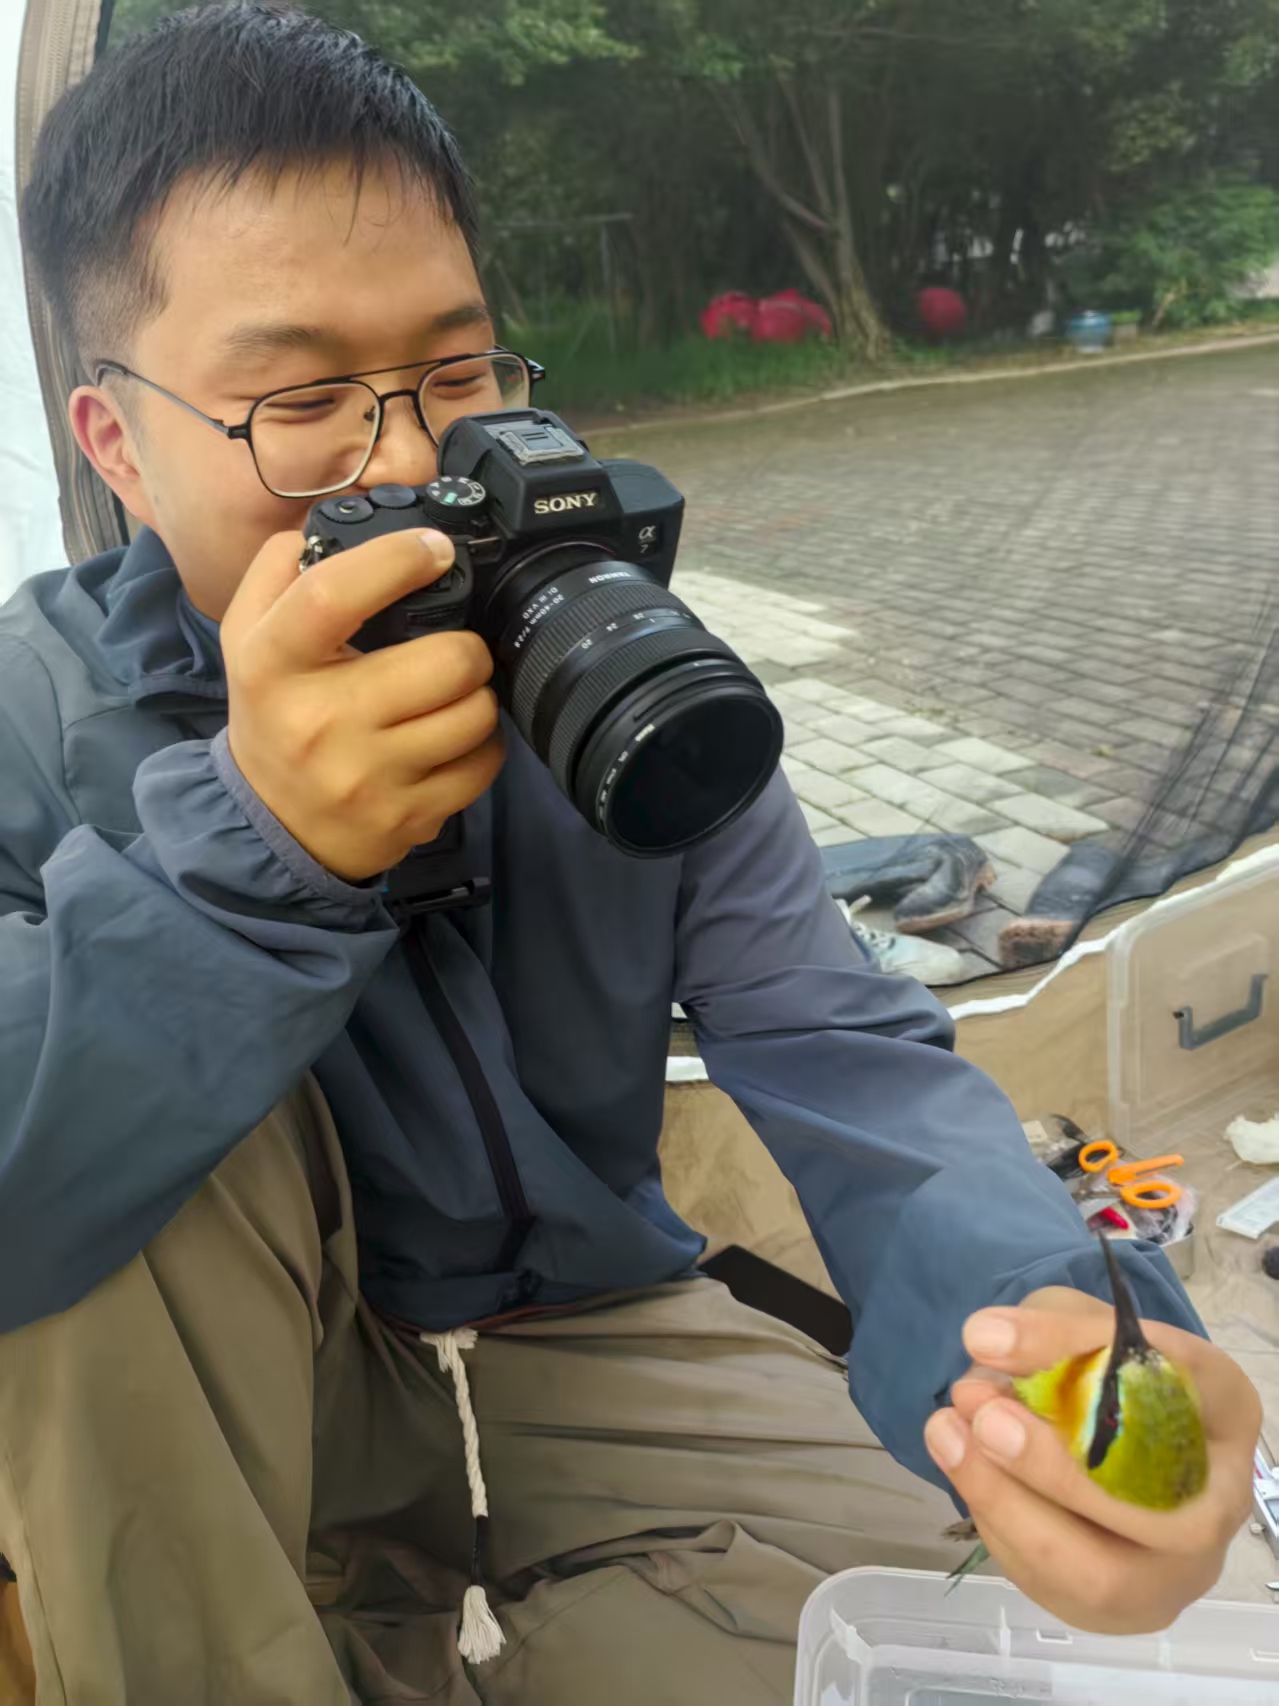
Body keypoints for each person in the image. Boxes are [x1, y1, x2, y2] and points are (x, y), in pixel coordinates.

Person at [0, 5, 1259, 1702]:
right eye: (300, 399)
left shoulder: (597, 654)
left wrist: (1080, 1360)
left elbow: (842, 1046)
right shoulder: (33, 708)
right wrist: (253, 853)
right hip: (259, 1419)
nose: (407, 468)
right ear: (114, 442)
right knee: (106, 1126)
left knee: (986, 1630)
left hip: (600, 1325)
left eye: (454, 375)